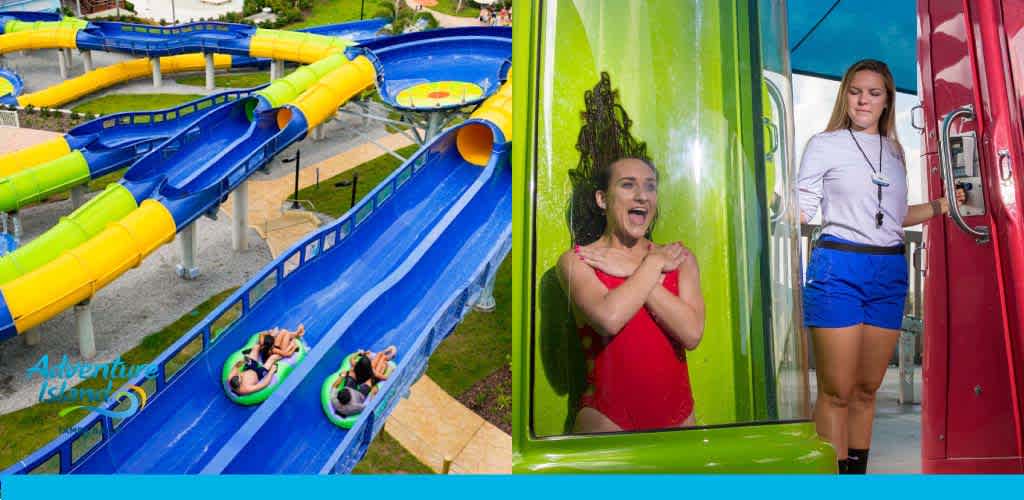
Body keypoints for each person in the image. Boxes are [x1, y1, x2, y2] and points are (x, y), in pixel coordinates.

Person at [796, 59, 965, 474]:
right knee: (836, 391)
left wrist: (944, 205)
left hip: (889, 272)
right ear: (845, 95)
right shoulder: (824, 143)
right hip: (838, 266)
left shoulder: (894, 152)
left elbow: (891, 216)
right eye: (855, 91)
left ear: (888, 100)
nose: (863, 100)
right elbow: (801, 208)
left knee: (867, 390)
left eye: (873, 92)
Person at [557, 72, 705, 434]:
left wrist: (640, 269)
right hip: (608, 420)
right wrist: (651, 267)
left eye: (650, 188)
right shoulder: (577, 261)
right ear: (602, 200)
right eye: (628, 186)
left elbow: (692, 333)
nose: (642, 196)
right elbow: (608, 317)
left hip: (679, 419)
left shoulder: (678, 258)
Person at [330, 346, 398, 416]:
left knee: (352, 373)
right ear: (349, 400)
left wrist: (342, 376)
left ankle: (383, 356)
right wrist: (373, 393)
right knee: (372, 377)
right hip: (360, 394)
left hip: (360, 379)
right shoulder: (354, 407)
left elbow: (334, 386)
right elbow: (369, 406)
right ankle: (385, 357)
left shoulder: (334, 399)